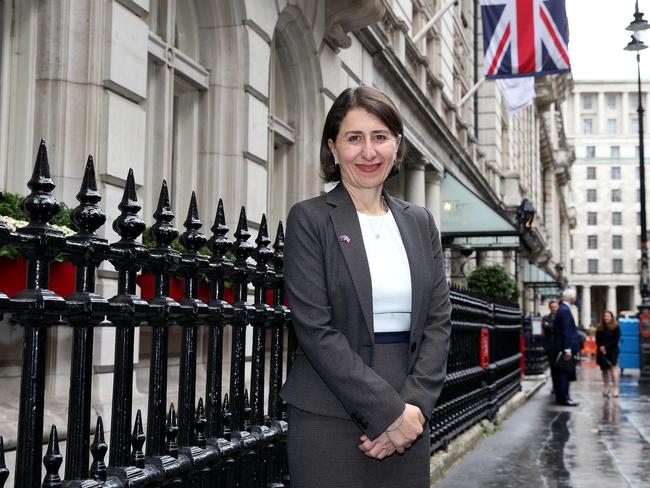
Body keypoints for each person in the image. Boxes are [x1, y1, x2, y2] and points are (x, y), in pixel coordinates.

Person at [281, 86, 452, 488]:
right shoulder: (310, 219)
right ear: (333, 147)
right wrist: (387, 413)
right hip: (330, 413)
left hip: (411, 414)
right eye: (354, 138)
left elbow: (438, 322)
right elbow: (315, 330)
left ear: (397, 145)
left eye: (380, 137)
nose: (369, 152)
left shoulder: (420, 222)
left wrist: (412, 410)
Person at [552, 288, 580, 406]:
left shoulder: (562, 309)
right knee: (565, 373)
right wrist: (567, 349)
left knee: (561, 373)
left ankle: (561, 397)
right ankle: (565, 398)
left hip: (561, 347)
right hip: (565, 349)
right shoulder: (565, 310)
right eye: (575, 297)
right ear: (572, 298)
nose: (575, 299)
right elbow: (566, 331)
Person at [596, 310, 621, 397]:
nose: (606, 318)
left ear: (611, 317)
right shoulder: (599, 327)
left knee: (613, 369)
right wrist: (601, 347)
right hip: (601, 351)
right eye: (605, 316)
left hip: (612, 351)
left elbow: (616, 339)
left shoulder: (616, 327)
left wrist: (606, 347)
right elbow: (597, 340)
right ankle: (606, 387)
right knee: (604, 370)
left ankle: (616, 388)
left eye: (608, 316)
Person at [542, 300, 559, 391]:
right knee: (553, 367)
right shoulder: (546, 318)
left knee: (560, 368)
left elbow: (551, 328)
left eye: (555, 307)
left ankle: (560, 386)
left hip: (560, 347)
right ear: (550, 308)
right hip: (550, 348)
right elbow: (546, 327)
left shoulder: (561, 317)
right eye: (552, 307)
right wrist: (554, 327)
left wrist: (551, 327)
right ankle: (554, 386)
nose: (554, 309)